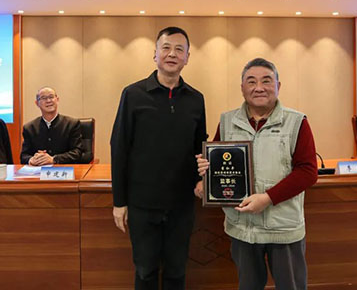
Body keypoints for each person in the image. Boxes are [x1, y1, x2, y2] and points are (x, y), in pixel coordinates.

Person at [196, 58, 317, 290]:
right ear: (242, 88)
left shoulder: (296, 122)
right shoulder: (227, 121)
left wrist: (268, 198)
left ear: (278, 86)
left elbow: (308, 171)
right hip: (242, 227)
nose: (258, 87)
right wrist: (205, 175)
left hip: (283, 227)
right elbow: (217, 163)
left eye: (266, 81)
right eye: (251, 81)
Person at [110, 26, 207, 290]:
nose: (172, 54)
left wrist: (202, 180)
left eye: (179, 49)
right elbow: (119, 147)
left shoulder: (196, 99)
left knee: (177, 272)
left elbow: (200, 147)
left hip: (181, 204)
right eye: (166, 48)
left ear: (187, 57)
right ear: (155, 54)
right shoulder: (133, 94)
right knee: (145, 272)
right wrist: (119, 201)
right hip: (142, 204)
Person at [20, 86, 83, 165]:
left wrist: (54, 159)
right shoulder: (29, 128)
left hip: (64, 170)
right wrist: (31, 160)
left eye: (51, 97)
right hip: (38, 171)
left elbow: (77, 152)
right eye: (43, 98)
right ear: (37, 103)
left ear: (57, 100)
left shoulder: (72, 124)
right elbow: (24, 156)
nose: (48, 101)